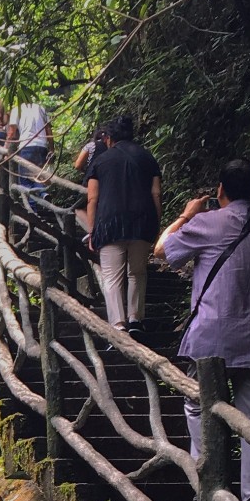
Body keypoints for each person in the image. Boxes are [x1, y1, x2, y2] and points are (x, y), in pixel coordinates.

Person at [156, 155, 250, 501]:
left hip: (211, 338)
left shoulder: (206, 224)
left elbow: (160, 251)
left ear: (220, 190)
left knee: (200, 407)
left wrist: (187, 214)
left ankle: (209, 491)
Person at [85, 112, 162, 334]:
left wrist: (92, 230)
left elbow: (93, 198)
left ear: (108, 138)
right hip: (142, 220)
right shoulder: (147, 158)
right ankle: (136, 318)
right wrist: (155, 224)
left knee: (112, 276)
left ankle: (118, 324)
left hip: (109, 223)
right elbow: (156, 194)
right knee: (137, 272)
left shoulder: (100, 161)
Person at [7, 99, 51, 194]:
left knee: (25, 179)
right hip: (42, 147)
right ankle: (43, 194)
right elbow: (48, 130)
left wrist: (5, 148)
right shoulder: (41, 108)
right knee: (38, 176)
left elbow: (11, 133)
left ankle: (32, 207)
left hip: (26, 147)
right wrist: (52, 149)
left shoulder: (17, 110)